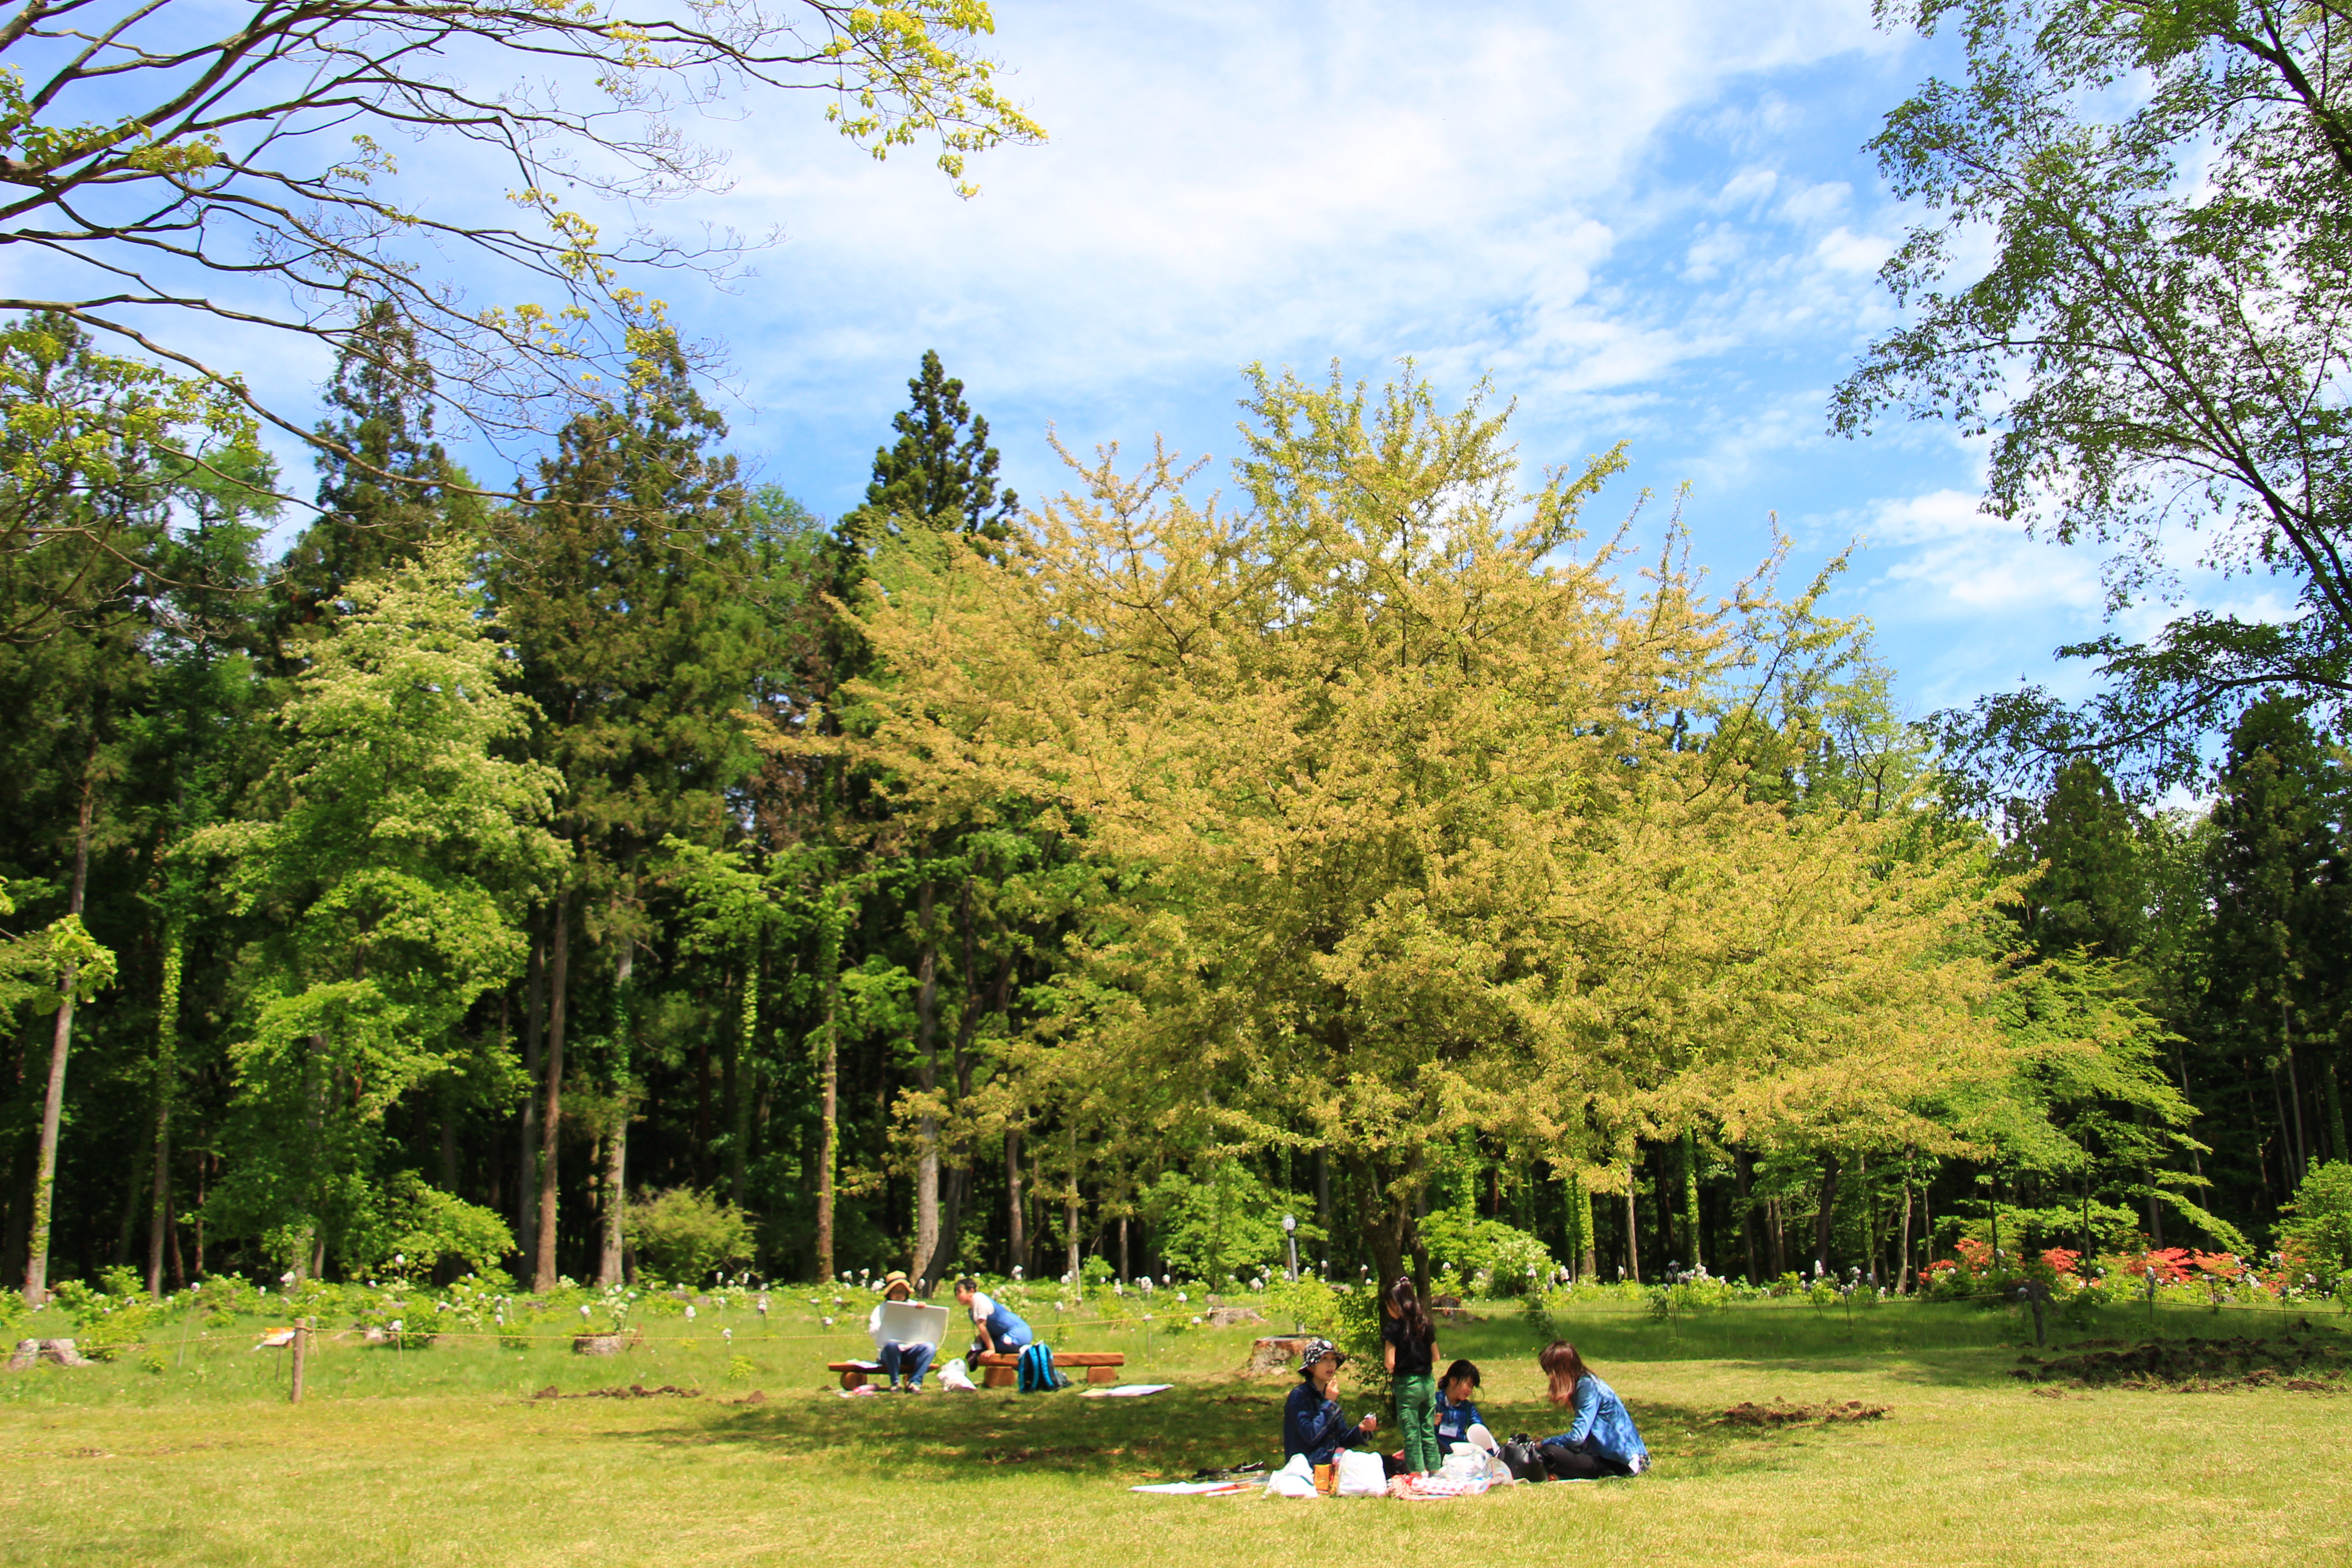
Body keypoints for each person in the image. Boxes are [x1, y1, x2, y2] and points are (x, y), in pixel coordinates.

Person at [1535, 1339, 1649, 1478]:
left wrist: (1544, 1443)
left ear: (1562, 1371)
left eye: (1550, 1373)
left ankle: (1606, 1473)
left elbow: (1577, 1437)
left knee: (1550, 1452)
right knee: (1554, 1451)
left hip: (1623, 1463)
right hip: (1609, 1456)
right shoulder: (1586, 1383)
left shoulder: (1587, 1388)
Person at [1281, 1338, 1378, 1466]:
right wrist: (1329, 1403)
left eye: (1333, 1359)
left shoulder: (1329, 1396)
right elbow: (1311, 1435)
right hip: (1304, 1471)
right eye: (1324, 1359)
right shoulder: (1299, 1396)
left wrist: (1361, 1430)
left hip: (1330, 1469)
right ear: (1311, 1367)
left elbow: (1342, 1439)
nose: (1331, 1364)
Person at [1382, 1275, 1442, 1480]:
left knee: (1411, 1430)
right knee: (1428, 1428)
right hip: (1428, 1383)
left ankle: (1416, 1472)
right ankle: (1435, 1469)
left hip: (1408, 1384)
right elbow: (1437, 1356)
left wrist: (1395, 1366)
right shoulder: (1425, 1324)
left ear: (1394, 1304)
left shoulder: (1393, 1329)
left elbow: (1390, 1362)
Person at [866, 1270, 935, 1392]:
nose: (899, 1295)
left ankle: (915, 1383)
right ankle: (895, 1383)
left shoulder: (914, 1306)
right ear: (889, 1293)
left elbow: (927, 1327)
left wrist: (924, 1311)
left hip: (910, 1350)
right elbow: (872, 1333)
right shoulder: (881, 1309)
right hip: (889, 1353)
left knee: (929, 1348)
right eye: (896, 1292)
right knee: (892, 1344)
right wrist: (885, 1327)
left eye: (902, 1292)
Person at [954, 1276, 1033, 1360]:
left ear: (971, 1291)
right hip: (1004, 1335)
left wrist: (991, 1349)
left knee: (985, 1349)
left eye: (960, 1293)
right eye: (956, 1294)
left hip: (1017, 1333)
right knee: (980, 1348)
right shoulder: (971, 1311)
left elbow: (982, 1325)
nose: (958, 1297)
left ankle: (1024, 1350)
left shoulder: (978, 1298)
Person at [1432, 1358, 1486, 1450]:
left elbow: (1481, 1431)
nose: (1470, 1390)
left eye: (1472, 1387)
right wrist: (1429, 1421)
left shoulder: (1468, 1409)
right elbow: (1416, 1425)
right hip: (1434, 1452)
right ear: (1453, 1381)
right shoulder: (1433, 1402)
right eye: (1468, 1385)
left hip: (1459, 1454)